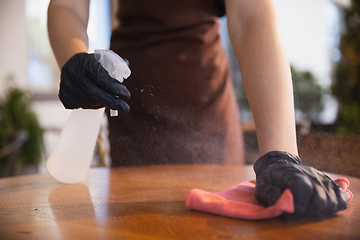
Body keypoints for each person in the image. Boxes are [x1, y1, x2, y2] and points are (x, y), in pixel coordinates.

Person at [47, 0, 350, 218]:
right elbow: (67, 7)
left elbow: (251, 16)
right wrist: (74, 57)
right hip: (129, 104)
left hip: (206, 105)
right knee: (137, 219)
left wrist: (281, 155)